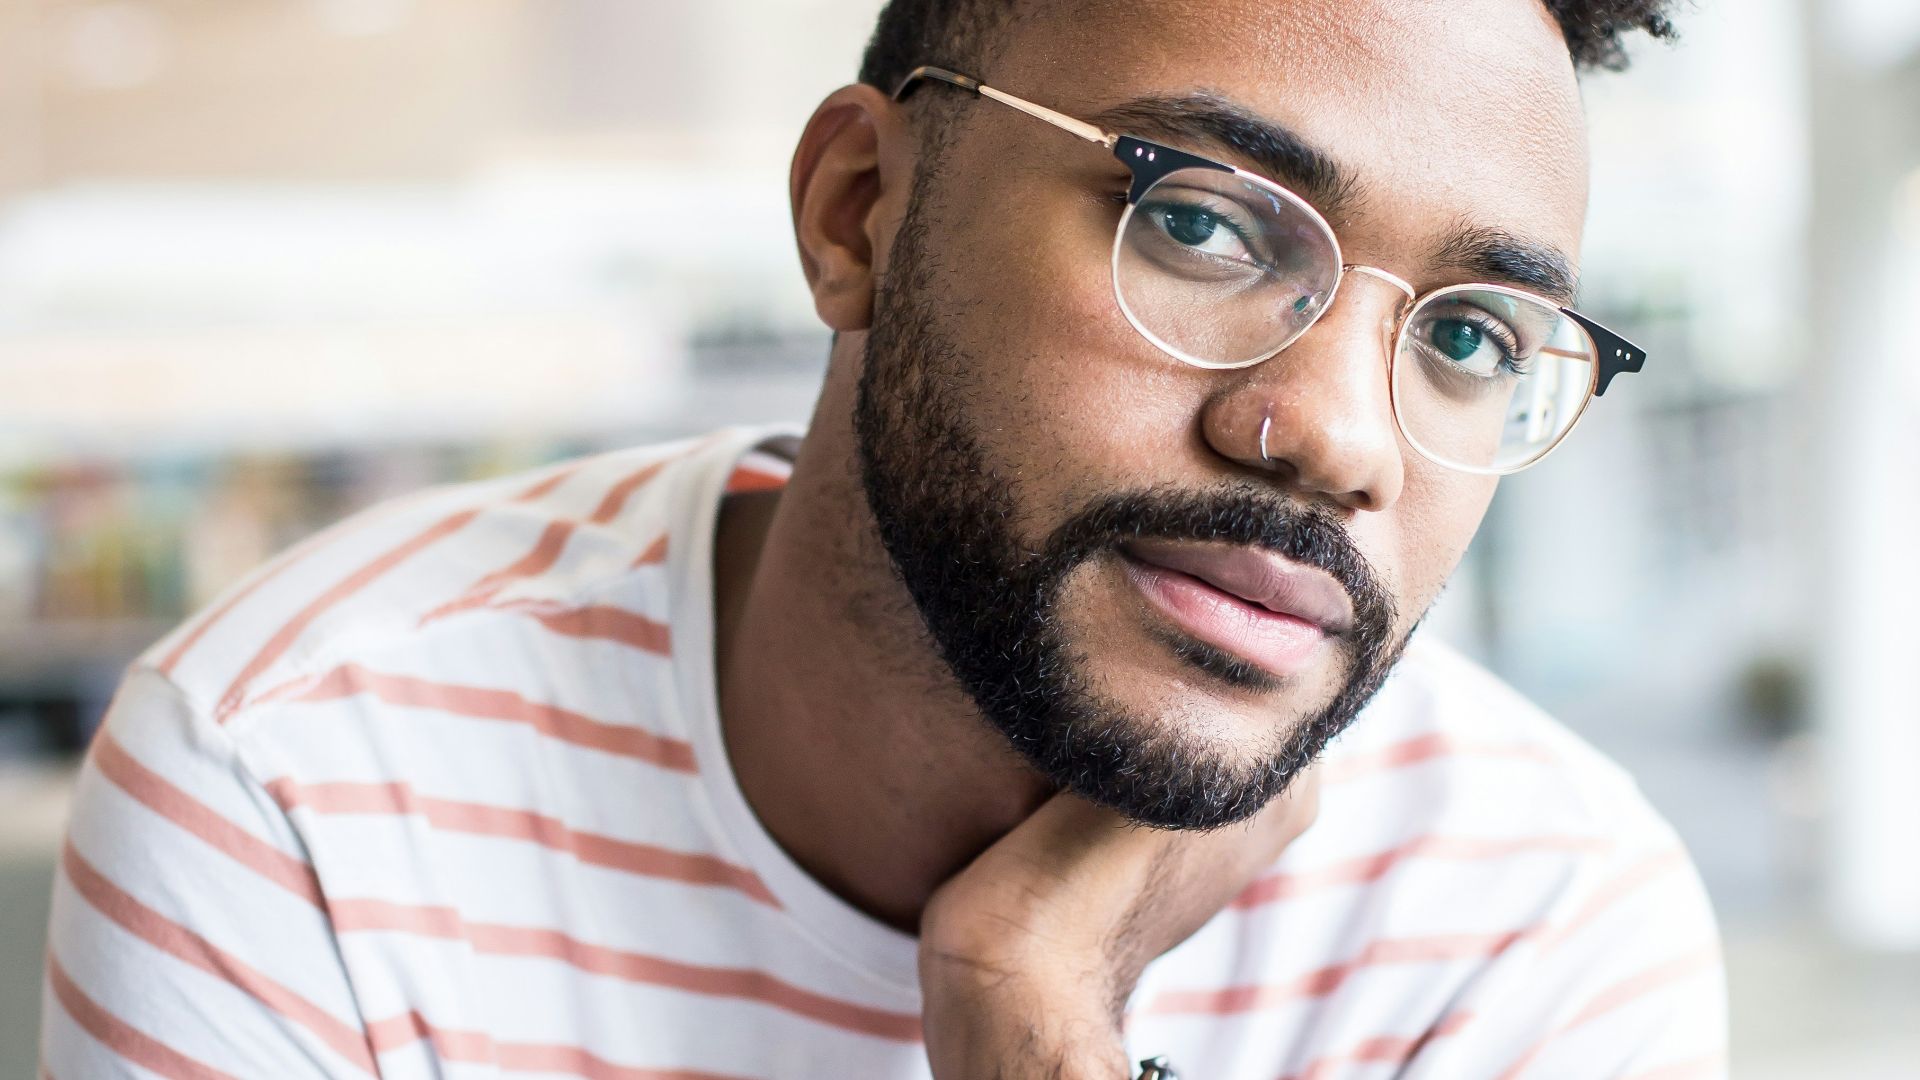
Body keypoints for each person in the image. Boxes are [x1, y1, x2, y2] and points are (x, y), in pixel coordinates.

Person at [39, 0, 1727, 1076]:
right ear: (860, 213)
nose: (1343, 437)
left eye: (1472, 337)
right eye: (1204, 223)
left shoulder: (1537, 920)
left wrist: (1037, 1023)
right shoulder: (307, 775)